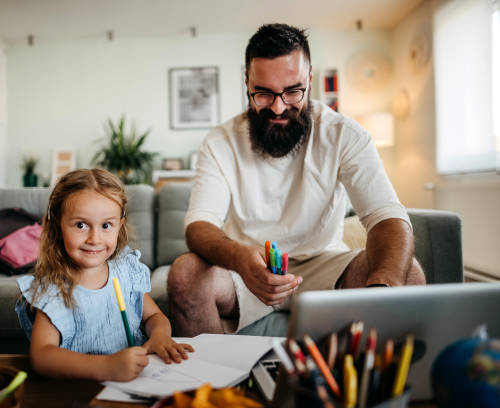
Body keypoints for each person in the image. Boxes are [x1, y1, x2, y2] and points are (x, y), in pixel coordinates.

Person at [167, 24, 426, 337]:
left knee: (409, 275)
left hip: (325, 267)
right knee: (184, 275)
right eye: (263, 94)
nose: (278, 107)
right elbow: (198, 226)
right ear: (247, 83)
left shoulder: (345, 135)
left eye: (292, 92)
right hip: (246, 273)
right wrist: (240, 259)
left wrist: (384, 288)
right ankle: (219, 383)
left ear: (310, 80)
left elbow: (387, 217)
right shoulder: (219, 142)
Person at [16, 168, 193, 381]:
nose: (94, 238)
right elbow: (42, 356)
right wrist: (107, 367)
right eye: (81, 225)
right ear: (58, 226)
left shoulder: (125, 271)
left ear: (120, 225)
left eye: (106, 225)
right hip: (79, 393)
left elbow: (154, 316)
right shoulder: (54, 289)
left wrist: (160, 336)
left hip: (135, 386)